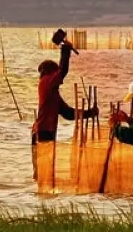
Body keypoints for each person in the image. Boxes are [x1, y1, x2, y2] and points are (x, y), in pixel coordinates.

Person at [31, 30, 97, 180]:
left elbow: (68, 113)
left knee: (45, 172)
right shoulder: (46, 82)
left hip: (47, 130)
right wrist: (65, 50)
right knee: (43, 172)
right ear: (50, 73)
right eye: (56, 75)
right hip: (42, 131)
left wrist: (89, 113)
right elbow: (63, 71)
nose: (59, 80)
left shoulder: (53, 93)